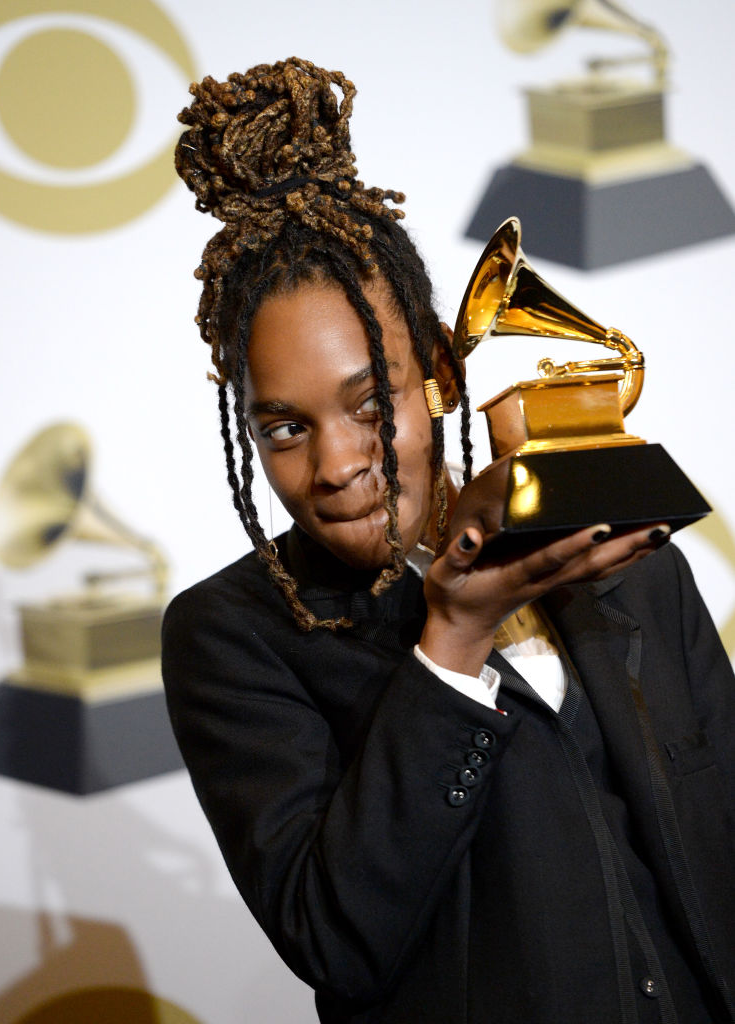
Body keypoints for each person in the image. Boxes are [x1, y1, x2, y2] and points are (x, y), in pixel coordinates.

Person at [162, 57, 735, 1024]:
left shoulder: (634, 571)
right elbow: (335, 941)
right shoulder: (233, 635)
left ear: (440, 373)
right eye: (286, 428)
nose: (336, 464)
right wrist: (454, 644)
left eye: (369, 403)